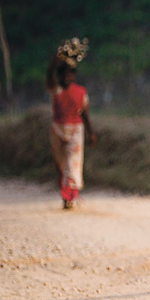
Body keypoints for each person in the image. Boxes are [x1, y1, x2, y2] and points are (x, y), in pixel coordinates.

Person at [46, 52, 96, 210]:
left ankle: (71, 196)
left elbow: (85, 113)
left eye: (70, 73)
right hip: (58, 130)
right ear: (59, 75)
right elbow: (49, 75)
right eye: (64, 74)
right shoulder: (56, 90)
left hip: (76, 129)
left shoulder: (80, 91)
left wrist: (90, 132)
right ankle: (66, 196)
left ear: (74, 75)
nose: (67, 77)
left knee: (72, 164)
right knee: (61, 164)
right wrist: (55, 60)